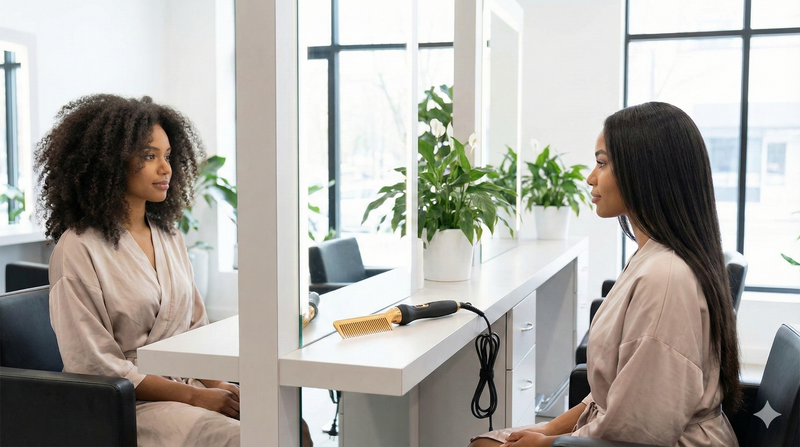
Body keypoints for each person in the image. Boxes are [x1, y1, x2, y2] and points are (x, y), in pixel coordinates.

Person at [470, 102, 741, 447]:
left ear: (643, 172)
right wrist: (549, 429)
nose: (590, 177)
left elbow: (639, 432)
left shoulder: (665, 279)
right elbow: (612, 396)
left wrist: (550, 443)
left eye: (601, 163)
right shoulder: (652, 258)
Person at [35, 94, 241, 446]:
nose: (166, 169)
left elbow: (194, 327)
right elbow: (94, 364)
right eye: (149, 156)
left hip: (185, 387)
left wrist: (218, 386)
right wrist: (193, 397)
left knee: (287, 424)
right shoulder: (78, 248)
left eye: (168, 156)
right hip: (129, 403)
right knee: (242, 436)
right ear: (110, 162)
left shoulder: (168, 235)